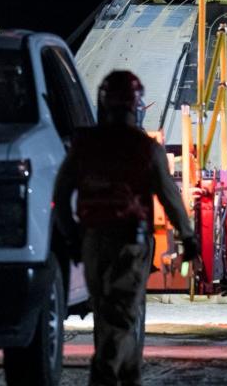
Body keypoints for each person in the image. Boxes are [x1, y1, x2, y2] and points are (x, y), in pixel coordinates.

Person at [53, 70, 198, 386]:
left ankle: (129, 377)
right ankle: (102, 378)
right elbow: (170, 198)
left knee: (107, 314)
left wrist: (71, 236)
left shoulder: (84, 145)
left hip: (92, 241)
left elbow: (61, 194)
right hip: (130, 246)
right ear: (137, 105)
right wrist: (187, 236)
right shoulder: (145, 148)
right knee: (122, 316)